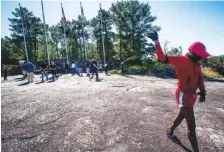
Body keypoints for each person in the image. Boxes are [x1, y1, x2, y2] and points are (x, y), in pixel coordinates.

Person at [147, 31, 210, 152]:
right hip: (183, 95)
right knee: (191, 126)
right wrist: (156, 42)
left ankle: (170, 131)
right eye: (200, 55)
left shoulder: (197, 64)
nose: (202, 57)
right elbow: (161, 58)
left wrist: (202, 91)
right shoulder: (181, 60)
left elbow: (200, 77)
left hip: (192, 96)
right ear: (192, 53)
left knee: (182, 115)